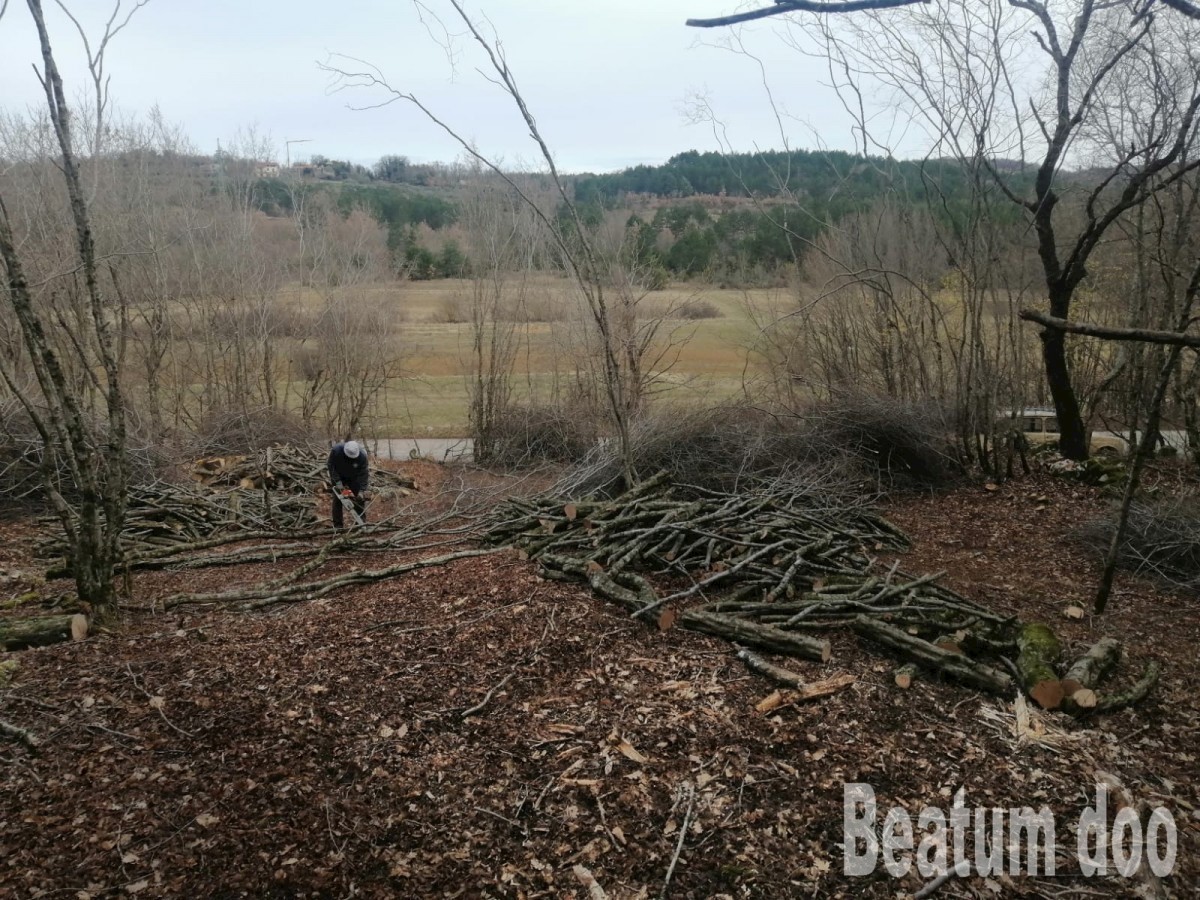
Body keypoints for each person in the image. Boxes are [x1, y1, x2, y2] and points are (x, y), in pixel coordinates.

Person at [328, 439, 369, 530]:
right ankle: (338, 526)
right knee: (338, 499)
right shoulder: (336, 451)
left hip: (354, 478)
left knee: (359, 499)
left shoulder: (362, 456)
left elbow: (364, 474)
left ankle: (361, 523)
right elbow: (331, 467)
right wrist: (338, 484)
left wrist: (362, 491)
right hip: (340, 477)